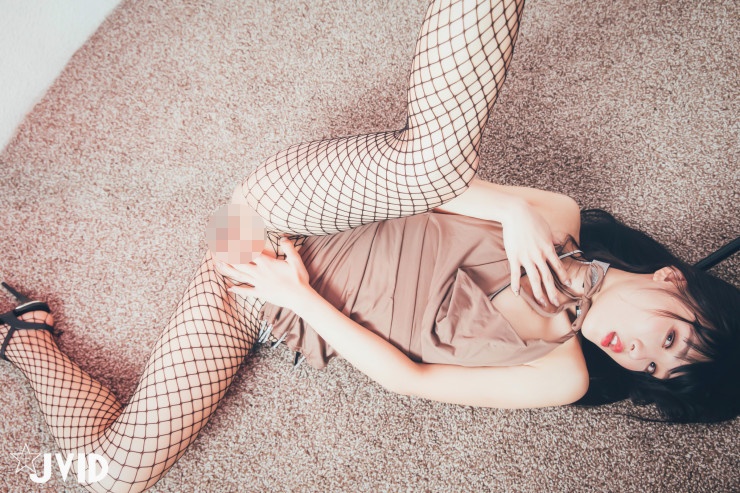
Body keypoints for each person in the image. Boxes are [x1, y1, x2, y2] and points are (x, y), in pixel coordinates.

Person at [1, 1, 737, 492]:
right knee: (433, 161)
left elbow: (409, 378)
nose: (638, 353)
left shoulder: (563, 374)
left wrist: (295, 297)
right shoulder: (559, 217)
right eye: (670, 337)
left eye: (653, 369)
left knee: (113, 475)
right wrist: (514, 208)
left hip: (252, 277)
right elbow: (424, 183)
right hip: (281, 205)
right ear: (673, 279)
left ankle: (23, 334)